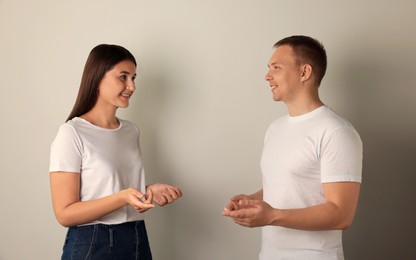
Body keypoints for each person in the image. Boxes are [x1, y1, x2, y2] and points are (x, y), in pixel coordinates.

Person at [222, 35, 362, 260]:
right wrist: (252, 200)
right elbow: (288, 185)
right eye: (268, 68)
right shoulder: (275, 129)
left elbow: (341, 214)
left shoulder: (336, 132)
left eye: (276, 67)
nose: (267, 76)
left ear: (304, 72)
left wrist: (271, 216)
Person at [49, 44, 182, 260]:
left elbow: (113, 189)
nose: (132, 86)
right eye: (123, 76)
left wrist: (147, 191)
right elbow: (64, 213)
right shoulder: (71, 133)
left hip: (136, 236)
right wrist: (123, 197)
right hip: (93, 242)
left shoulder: (130, 131)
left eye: (134, 77)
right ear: (97, 78)